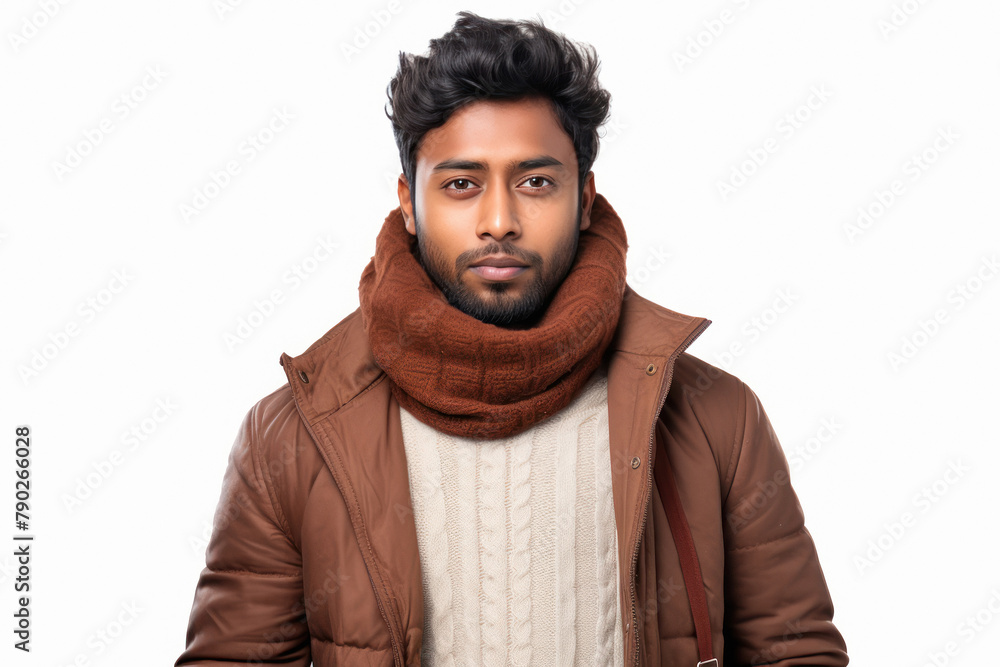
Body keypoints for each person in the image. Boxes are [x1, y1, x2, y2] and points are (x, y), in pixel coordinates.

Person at [176, 11, 849, 666]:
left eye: (535, 182)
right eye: (462, 184)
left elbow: (796, 651)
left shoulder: (714, 417)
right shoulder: (290, 436)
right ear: (409, 204)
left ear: (584, 199)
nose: (500, 220)